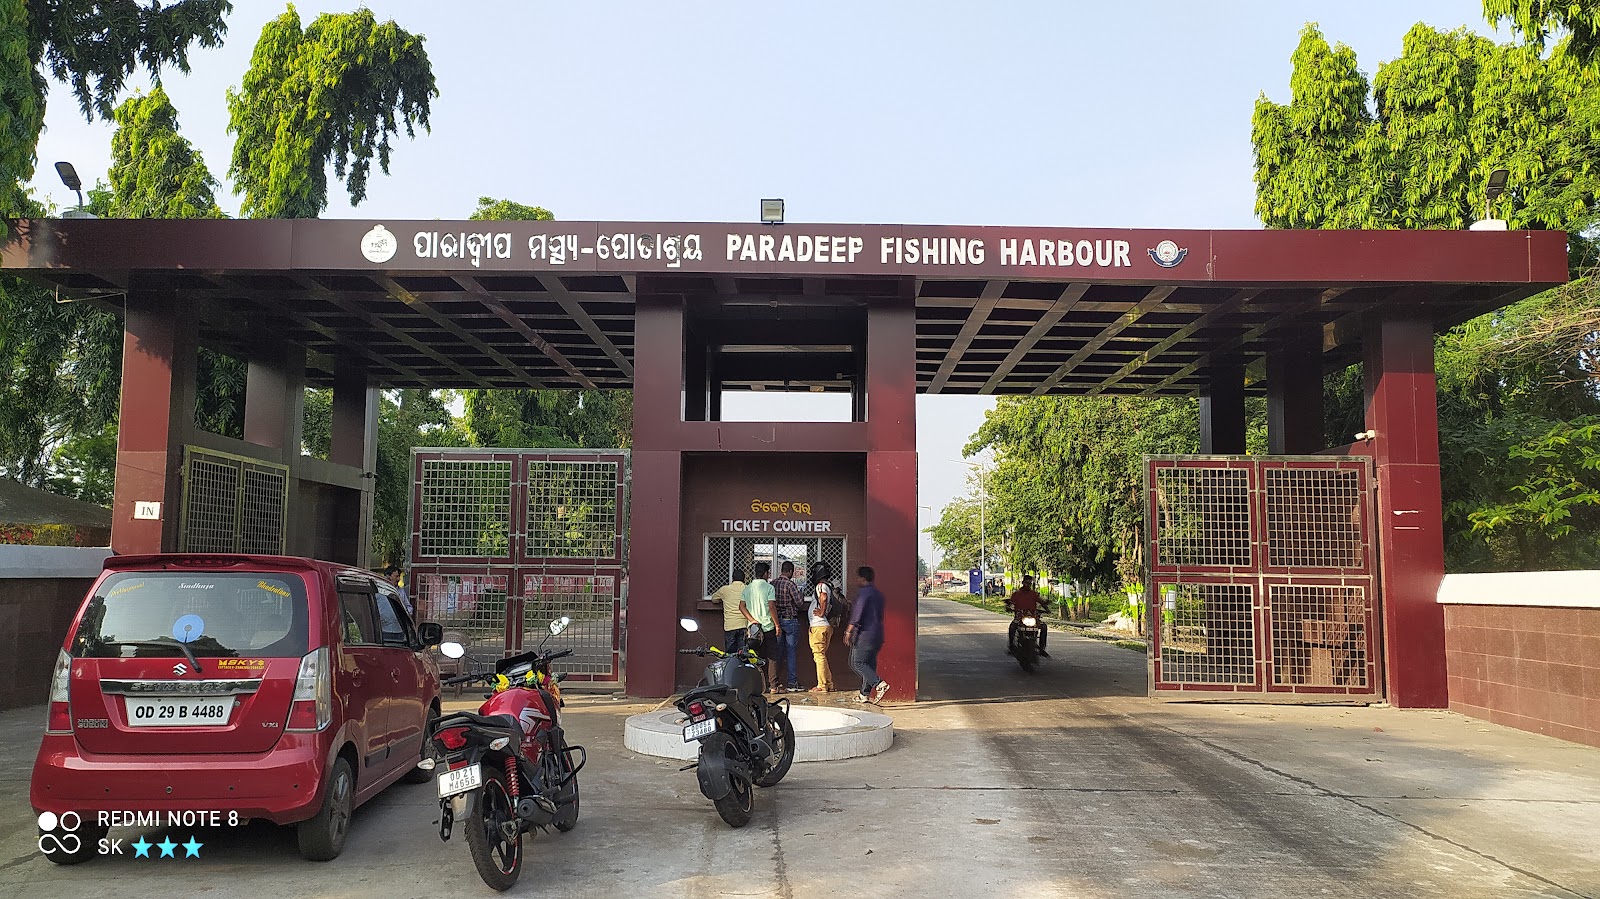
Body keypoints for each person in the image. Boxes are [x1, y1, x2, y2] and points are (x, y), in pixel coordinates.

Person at [844, 565, 889, 703]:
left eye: (857, 577)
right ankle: (864, 694)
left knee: (857, 662)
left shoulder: (864, 594)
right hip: (877, 634)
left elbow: (857, 615)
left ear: (862, 578)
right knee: (869, 664)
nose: (856, 580)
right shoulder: (878, 594)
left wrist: (848, 631)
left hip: (865, 634)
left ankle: (879, 683)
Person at [771, 561, 806, 693]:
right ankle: (792, 682)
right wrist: (801, 594)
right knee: (791, 652)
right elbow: (799, 603)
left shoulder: (773, 584)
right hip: (790, 620)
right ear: (790, 571)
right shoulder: (790, 584)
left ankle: (775, 681)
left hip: (777, 621)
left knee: (777, 653)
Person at [805, 562, 836, 693]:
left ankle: (822, 685)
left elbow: (823, 597)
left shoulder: (821, 586)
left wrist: (821, 612)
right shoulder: (829, 586)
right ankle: (828, 683)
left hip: (818, 625)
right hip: (826, 625)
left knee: (818, 655)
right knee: (821, 655)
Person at [740, 561, 777, 663]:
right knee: (772, 657)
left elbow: (741, 606)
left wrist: (752, 620)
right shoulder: (770, 588)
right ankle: (771, 674)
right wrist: (777, 625)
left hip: (754, 630)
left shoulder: (747, 588)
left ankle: (758, 673)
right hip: (768, 627)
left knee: (755, 656)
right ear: (765, 573)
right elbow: (771, 606)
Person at [1006, 574, 1050, 658]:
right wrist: (1008, 607)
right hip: (1020, 617)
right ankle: (1011, 646)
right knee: (1012, 627)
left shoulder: (1034, 594)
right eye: (1026, 583)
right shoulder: (1016, 594)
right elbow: (1011, 603)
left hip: (1033, 617)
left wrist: (1047, 609)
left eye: (1029, 583)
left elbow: (1041, 602)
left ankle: (1042, 649)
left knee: (1044, 627)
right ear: (1023, 583)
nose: (1028, 585)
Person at [714, 568, 750, 653]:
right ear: (744, 579)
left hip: (730, 625)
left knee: (730, 654)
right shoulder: (748, 589)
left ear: (732, 578)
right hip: (743, 625)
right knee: (743, 654)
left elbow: (714, 599)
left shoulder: (725, 590)